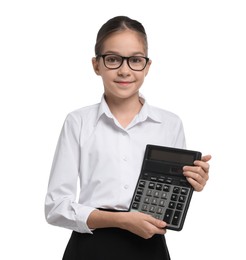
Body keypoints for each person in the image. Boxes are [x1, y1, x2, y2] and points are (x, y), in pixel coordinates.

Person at [45, 15, 211, 260]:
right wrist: (121, 220)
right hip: (90, 247)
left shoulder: (170, 124)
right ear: (96, 65)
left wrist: (192, 183)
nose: (124, 70)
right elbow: (56, 207)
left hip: (149, 246)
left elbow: (168, 201)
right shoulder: (78, 122)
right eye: (112, 59)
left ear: (147, 66)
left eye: (135, 60)